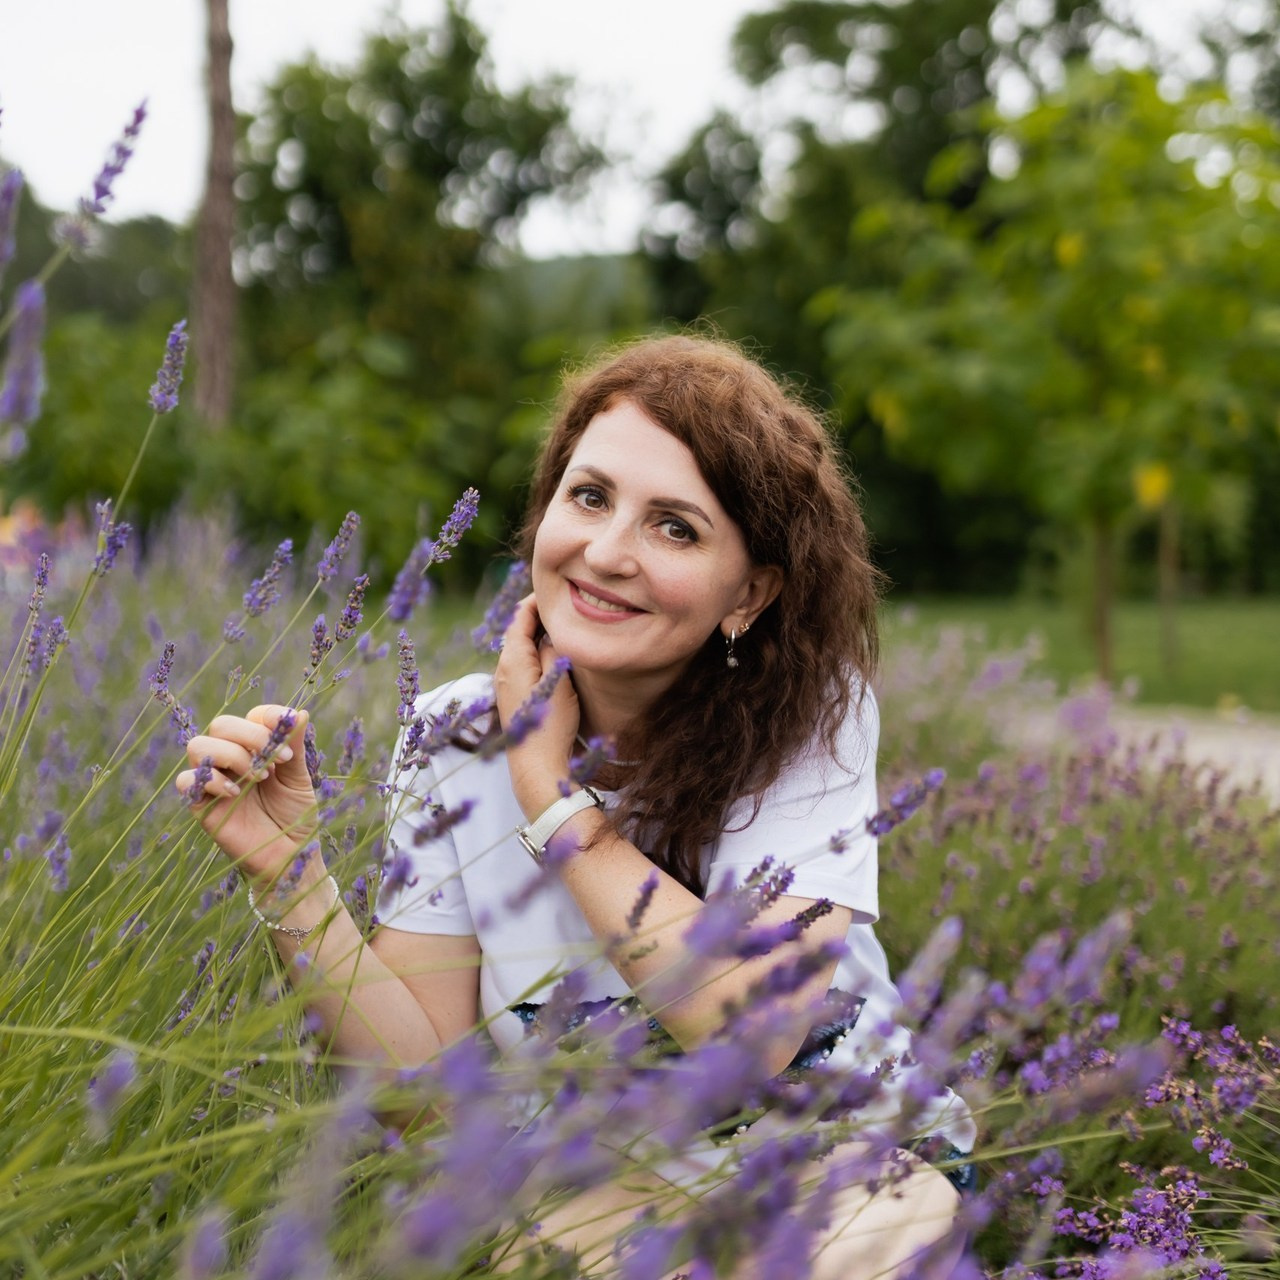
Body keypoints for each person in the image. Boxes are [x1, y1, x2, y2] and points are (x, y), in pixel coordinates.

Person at [178, 334, 975, 1278]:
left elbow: (754, 1031)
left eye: (674, 527)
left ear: (750, 592)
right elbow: (432, 1101)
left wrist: (552, 798)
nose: (605, 552)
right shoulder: (452, 732)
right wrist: (292, 877)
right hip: (601, 1186)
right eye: (589, 497)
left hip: (835, 1160)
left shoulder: (809, 723)